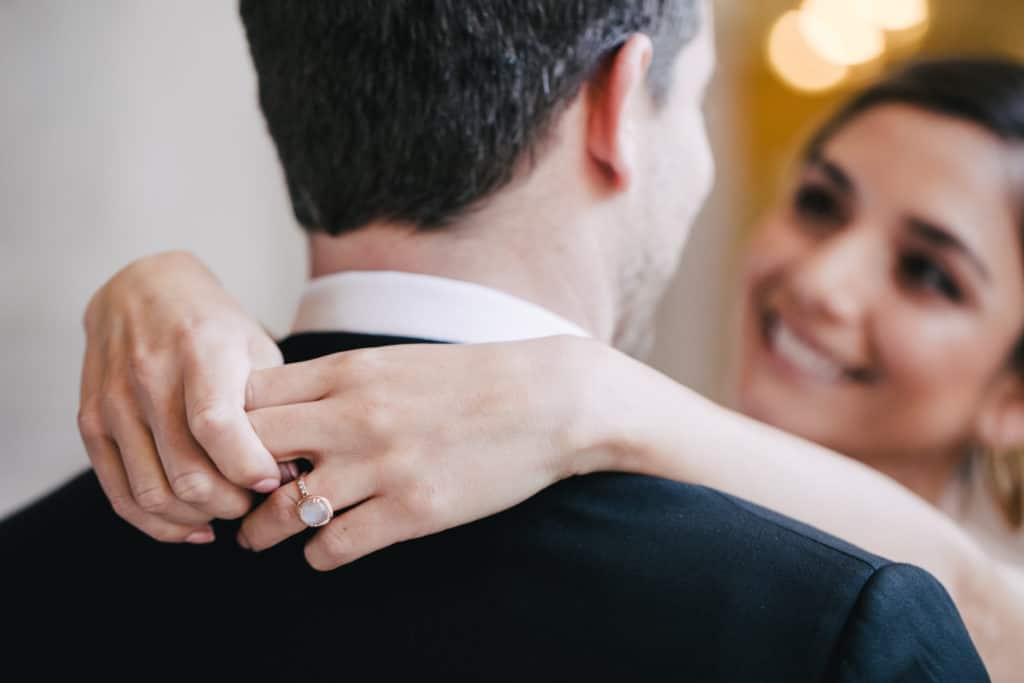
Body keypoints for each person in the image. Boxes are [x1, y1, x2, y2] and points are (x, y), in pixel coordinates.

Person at [1, 1, 986, 680]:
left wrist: (589, 393)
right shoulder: (833, 626)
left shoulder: (30, 565)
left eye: (933, 272)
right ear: (619, 105)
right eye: (691, 101)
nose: (820, 285)